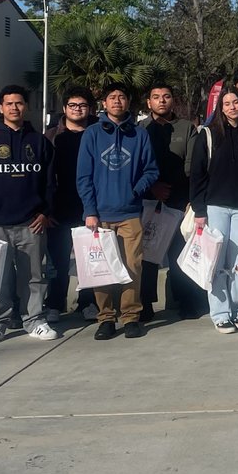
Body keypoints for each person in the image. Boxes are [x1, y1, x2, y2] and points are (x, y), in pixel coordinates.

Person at [0, 86, 57, 346]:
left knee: (34, 277)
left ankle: (35, 320)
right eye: (9, 104)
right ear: (1, 108)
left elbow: (50, 183)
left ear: (25, 106)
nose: (14, 107)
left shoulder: (39, 142)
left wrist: (45, 212)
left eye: (19, 103)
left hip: (31, 224)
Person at [76, 82, 159, 340]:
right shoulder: (91, 134)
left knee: (132, 267)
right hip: (98, 216)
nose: (116, 101)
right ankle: (106, 318)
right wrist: (90, 210)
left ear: (128, 102)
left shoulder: (139, 134)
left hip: (130, 214)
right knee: (102, 270)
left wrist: (135, 190)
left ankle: (131, 316)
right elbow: (83, 176)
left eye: (121, 97)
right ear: (104, 103)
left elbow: (151, 170)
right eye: (111, 97)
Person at [190, 86, 238, 333]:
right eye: (227, 103)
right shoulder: (209, 134)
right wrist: (200, 210)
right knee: (217, 263)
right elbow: (197, 174)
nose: (232, 107)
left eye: (236, 102)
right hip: (215, 207)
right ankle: (220, 313)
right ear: (220, 107)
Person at [142, 81, 201, 321]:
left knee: (180, 255)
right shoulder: (140, 129)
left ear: (173, 101)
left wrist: (188, 198)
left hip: (179, 202)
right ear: (149, 102)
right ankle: (145, 304)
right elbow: (138, 165)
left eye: (166, 96)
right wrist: (153, 188)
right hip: (148, 200)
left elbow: (192, 165)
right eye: (156, 97)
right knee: (147, 256)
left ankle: (185, 301)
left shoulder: (187, 128)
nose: (162, 100)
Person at [44, 86, 98, 322]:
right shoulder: (51, 136)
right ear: (64, 108)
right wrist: (45, 209)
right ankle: (55, 303)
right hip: (58, 208)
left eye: (83, 105)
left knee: (89, 259)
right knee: (58, 260)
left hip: (89, 208)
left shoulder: (97, 133)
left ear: (90, 109)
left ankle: (87, 302)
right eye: (73, 105)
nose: (78, 109)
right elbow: (42, 176)